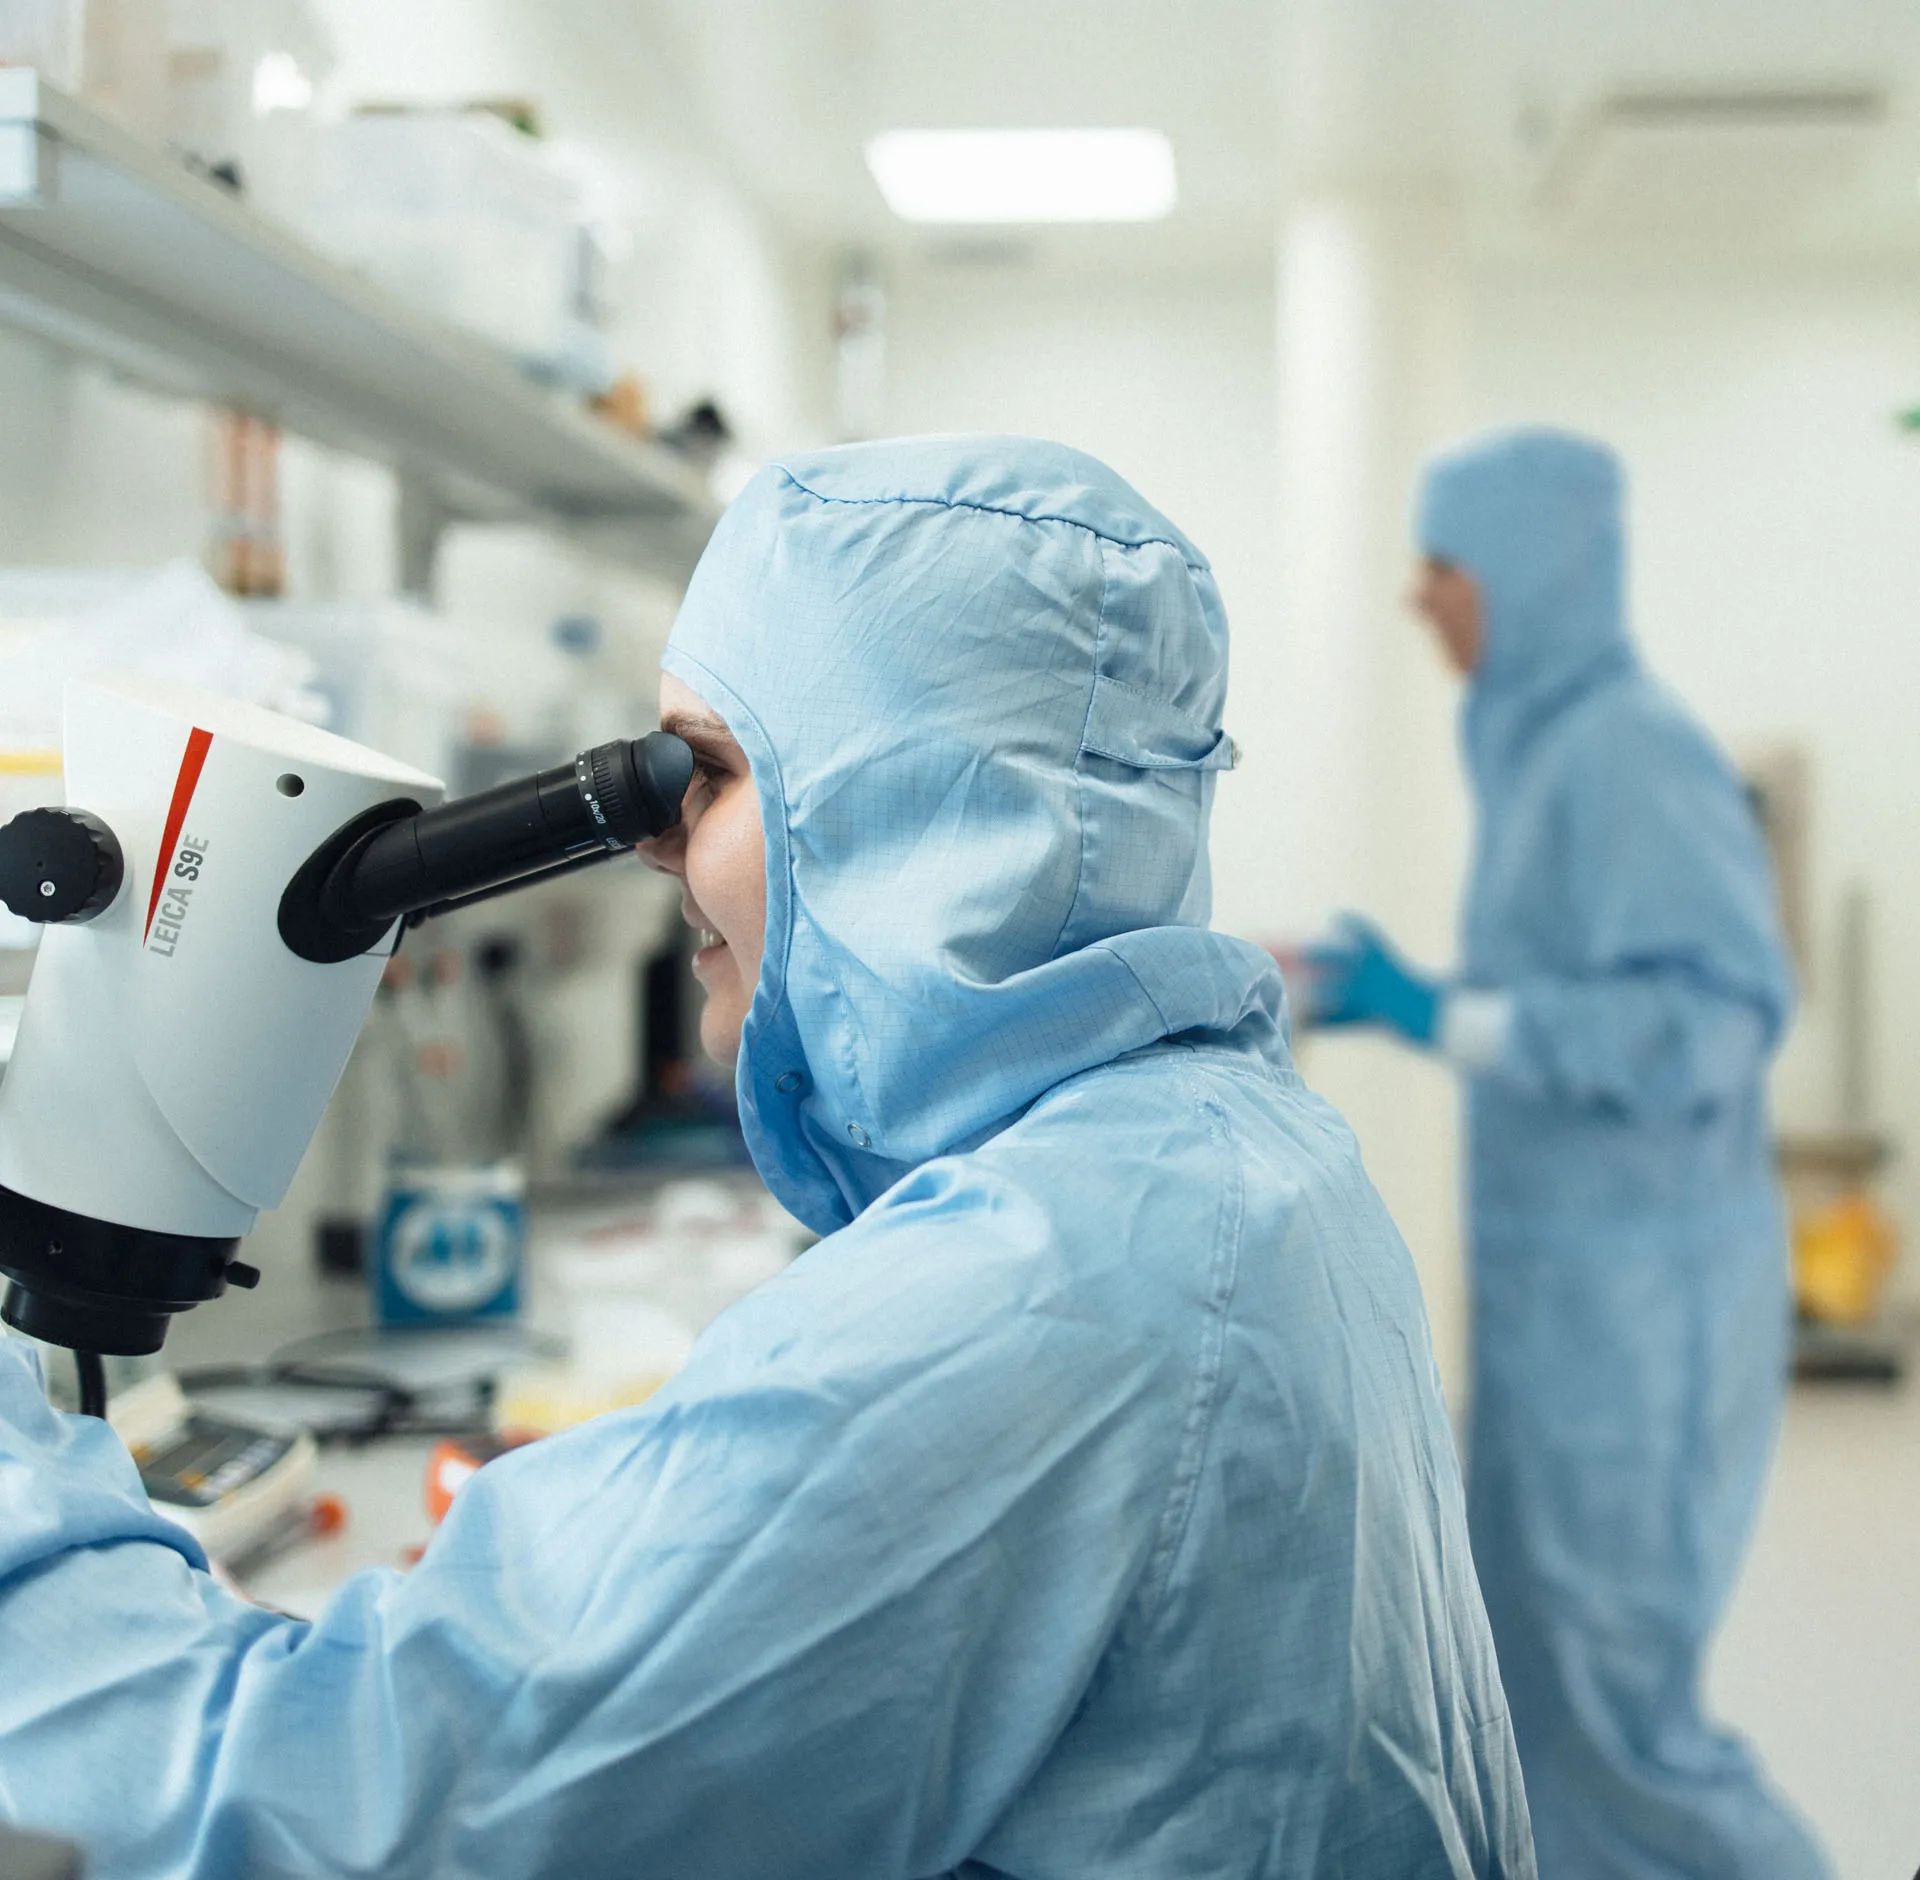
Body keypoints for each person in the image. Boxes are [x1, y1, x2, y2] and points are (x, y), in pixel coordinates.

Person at [0, 437, 1534, 1878]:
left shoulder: (1034, 1288)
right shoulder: (1236, 1151)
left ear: (930, 819)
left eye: (711, 772)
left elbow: (342, 1805)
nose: (657, 839)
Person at [1307, 427, 1828, 1878]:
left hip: (1640, 1328)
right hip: (1568, 1309)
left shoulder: (1628, 749)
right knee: (1533, 1699)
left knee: (1625, 1735)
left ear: (1528, 575)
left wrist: (1445, 1015)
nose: (1421, 600)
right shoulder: (1540, 746)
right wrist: (1419, 1007)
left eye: (1444, 567)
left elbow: (1714, 1020)